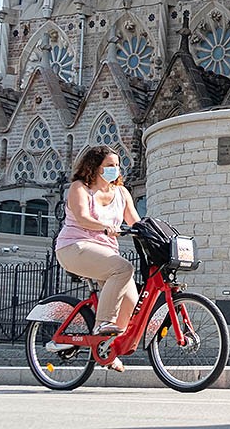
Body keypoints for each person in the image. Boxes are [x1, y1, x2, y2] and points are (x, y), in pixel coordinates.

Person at [53, 146, 142, 372]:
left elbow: (135, 221)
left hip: (105, 252)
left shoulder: (121, 193)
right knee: (123, 269)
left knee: (132, 302)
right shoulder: (79, 188)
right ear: (94, 167)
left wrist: (154, 232)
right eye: (109, 166)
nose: (115, 169)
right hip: (75, 247)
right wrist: (105, 227)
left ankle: (107, 348)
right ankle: (103, 323)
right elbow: (82, 217)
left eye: (117, 165)